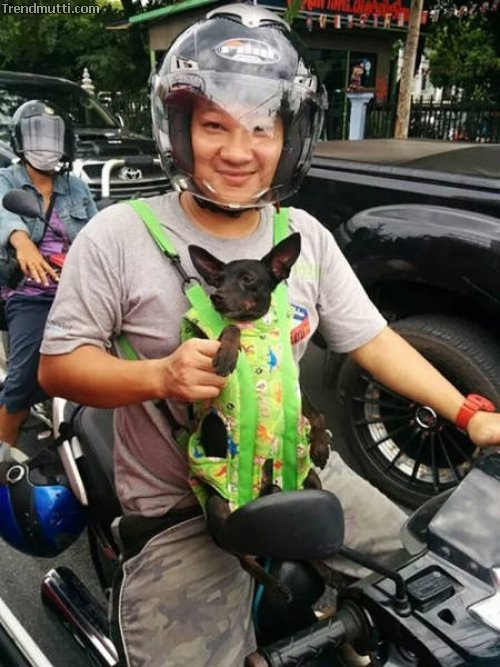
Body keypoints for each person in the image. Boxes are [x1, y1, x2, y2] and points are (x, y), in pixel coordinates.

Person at [38, 5, 500, 666]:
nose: (237, 150)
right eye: (214, 125)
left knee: (433, 586)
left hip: (298, 467)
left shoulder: (302, 237)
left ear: (289, 136)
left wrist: (468, 414)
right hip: (183, 506)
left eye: (261, 126)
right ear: (179, 128)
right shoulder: (119, 236)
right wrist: (159, 375)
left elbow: (372, 340)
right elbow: (58, 367)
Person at [0, 100, 97, 452]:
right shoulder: (7, 180)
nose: (45, 145)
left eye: (52, 136)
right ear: (20, 140)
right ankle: (4, 454)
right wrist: (22, 241)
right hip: (30, 293)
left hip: (76, 288)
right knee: (23, 378)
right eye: (37, 135)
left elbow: (96, 232)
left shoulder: (76, 188)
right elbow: (4, 215)